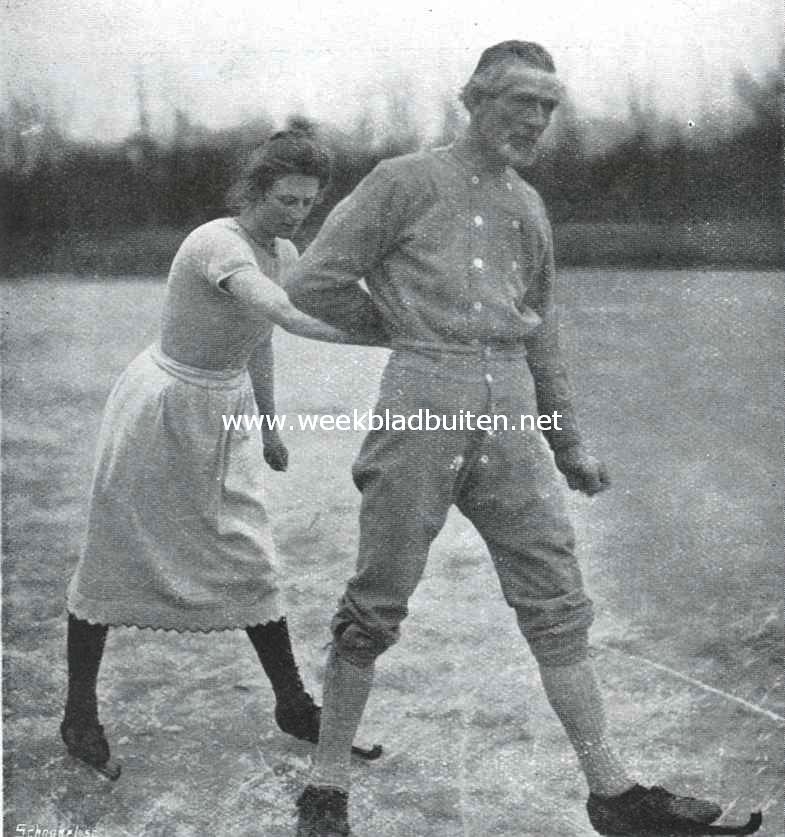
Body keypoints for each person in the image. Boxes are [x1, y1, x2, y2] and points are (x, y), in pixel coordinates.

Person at [285, 43, 762, 837]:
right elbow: (312, 282)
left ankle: (610, 790)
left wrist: (566, 441)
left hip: (509, 411)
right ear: (475, 100)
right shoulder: (402, 180)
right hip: (421, 405)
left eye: (548, 104)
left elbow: (539, 332)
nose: (537, 118)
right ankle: (327, 782)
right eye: (522, 102)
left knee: (556, 594)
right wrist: (408, 335)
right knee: (378, 596)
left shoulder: (528, 206)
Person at [61, 129, 385, 781]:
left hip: (223, 409)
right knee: (113, 554)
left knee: (249, 555)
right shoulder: (216, 242)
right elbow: (281, 310)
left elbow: (260, 337)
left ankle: (292, 704)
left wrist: (269, 425)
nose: (296, 213)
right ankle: (78, 714)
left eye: (307, 202)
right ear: (255, 190)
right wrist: (398, 334)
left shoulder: (285, 250)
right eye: (286, 199)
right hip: (162, 406)